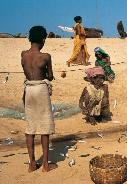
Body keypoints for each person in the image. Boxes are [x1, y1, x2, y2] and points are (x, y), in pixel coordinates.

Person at [21, 26, 57, 172]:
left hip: (28, 90)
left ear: (30, 39)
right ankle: (46, 165)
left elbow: (27, 71)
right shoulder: (45, 56)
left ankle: (31, 164)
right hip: (41, 90)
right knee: (44, 127)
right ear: (43, 40)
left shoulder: (23, 54)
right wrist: (49, 76)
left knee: (30, 127)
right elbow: (50, 76)